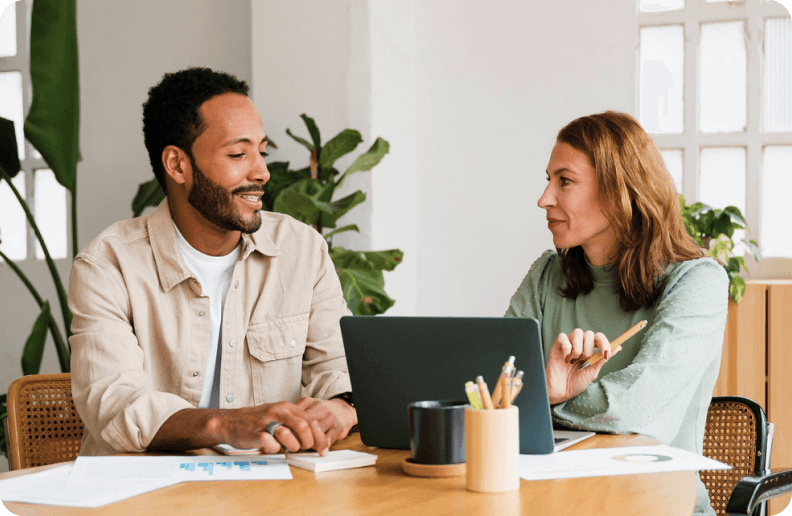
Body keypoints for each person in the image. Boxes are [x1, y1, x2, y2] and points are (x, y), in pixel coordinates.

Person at [69, 67, 356, 457]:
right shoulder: (108, 264)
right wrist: (229, 424)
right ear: (177, 165)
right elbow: (117, 406)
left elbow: (340, 372)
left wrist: (340, 409)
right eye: (238, 154)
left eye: (261, 151)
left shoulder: (302, 249)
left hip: (272, 490)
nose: (262, 172)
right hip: (148, 496)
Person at [504, 111, 727, 515]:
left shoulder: (698, 282)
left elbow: (638, 408)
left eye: (564, 181)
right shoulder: (544, 275)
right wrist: (530, 397)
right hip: (546, 503)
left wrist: (548, 398)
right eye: (548, 180)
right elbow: (494, 389)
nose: (544, 199)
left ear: (618, 190)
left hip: (656, 505)